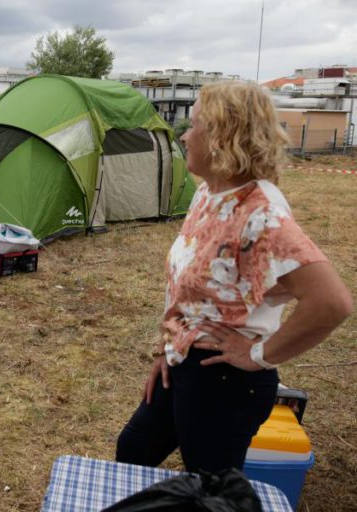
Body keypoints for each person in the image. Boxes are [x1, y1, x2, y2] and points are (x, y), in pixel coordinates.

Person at [115, 82, 352, 473]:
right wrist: (167, 347)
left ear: (225, 134)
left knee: (213, 489)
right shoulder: (210, 192)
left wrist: (259, 355)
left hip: (224, 380)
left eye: (194, 126)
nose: (184, 135)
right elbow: (188, 289)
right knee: (134, 451)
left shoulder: (259, 211)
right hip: (185, 360)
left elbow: (332, 303)